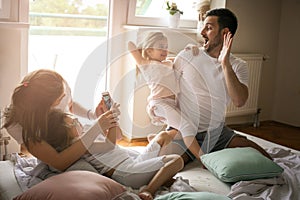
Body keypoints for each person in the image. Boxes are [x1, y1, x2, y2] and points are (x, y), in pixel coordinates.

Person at [165, 8, 272, 163]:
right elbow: (167, 89)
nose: (202, 32)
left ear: (224, 33)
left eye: (208, 28)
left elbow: (239, 101)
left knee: (262, 158)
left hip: (216, 133)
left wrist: (225, 64)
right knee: (166, 164)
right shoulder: (187, 55)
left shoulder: (238, 65)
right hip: (183, 130)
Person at [46, 108, 184, 200]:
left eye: (74, 118)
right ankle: (149, 189)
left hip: (133, 162)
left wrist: (112, 119)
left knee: (163, 135)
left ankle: (157, 176)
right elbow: (109, 144)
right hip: (126, 172)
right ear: (65, 135)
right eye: (72, 123)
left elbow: (115, 138)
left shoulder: (86, 130)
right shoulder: (79, 143)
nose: (77, 121)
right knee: (176, 160)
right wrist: (107, 123)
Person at [3, 69, 119, 171]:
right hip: (62, 153)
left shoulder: (57, 85)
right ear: (45, 107)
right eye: (60, 98)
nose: (64, 97)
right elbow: (58, 162)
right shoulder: (16, 124)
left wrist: (93, 115)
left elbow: (70, 104)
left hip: (76, 139)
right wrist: (96, 128)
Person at [128, 32, 198, 142]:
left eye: (166, 47)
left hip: (173, 103)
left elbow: (183, 56)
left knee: (190, 127)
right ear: (150, 50)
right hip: (159, 103)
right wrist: (144, 44)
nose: (165, 50)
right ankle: (201, 155)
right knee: (187, 128)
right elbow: (130, 45)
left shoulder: (169, 62)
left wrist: (190, 47)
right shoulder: (145, 64)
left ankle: (156, 138)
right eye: (161, 47)